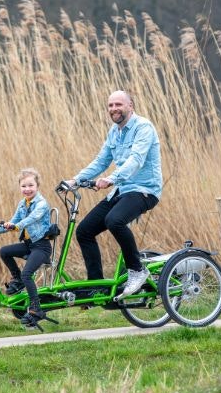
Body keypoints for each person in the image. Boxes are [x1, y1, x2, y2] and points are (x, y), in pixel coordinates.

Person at [67, 90, 162, 301]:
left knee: (114, 221)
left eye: (118, 104)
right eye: (110, 105)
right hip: (121, 191)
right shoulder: (114, 131)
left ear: (131, 106)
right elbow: (101, 161)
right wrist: (75, 180)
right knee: (84, 231)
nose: (113, 109)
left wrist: (111, 178)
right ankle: (97, 288)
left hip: (144, 190)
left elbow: (136, 160)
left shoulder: (143, 127)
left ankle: (137, 270)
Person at [0, 167, 53, 325]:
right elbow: (13, 221)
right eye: (23, 186)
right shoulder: (22, 204)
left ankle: (36, 308)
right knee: (4, 251)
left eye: (30, 185)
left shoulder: (41, 204)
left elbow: (30, 219)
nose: (27, 189)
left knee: (27, 274)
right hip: (29, 245)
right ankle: (17, 279)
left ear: (37, 186)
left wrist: (16, 226)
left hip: (41, 247)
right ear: (19, 187)